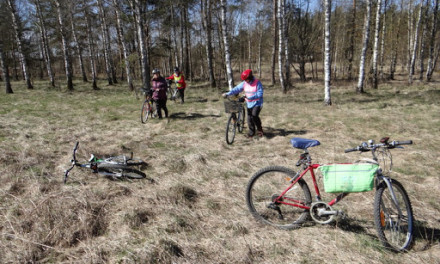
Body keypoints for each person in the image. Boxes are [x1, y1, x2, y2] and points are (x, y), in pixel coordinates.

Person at [223, 69, 264, 138]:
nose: (245, 81)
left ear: (250, 77)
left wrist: (248, 97)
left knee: (254, 116)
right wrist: (227, 93)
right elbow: (236, 89)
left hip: (257, 103)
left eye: (246, 79)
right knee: (249, 119)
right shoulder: (245, 83)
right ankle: (251, 133)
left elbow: (260, 94)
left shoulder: (257, 83)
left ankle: (260, 130)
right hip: (249, 103)